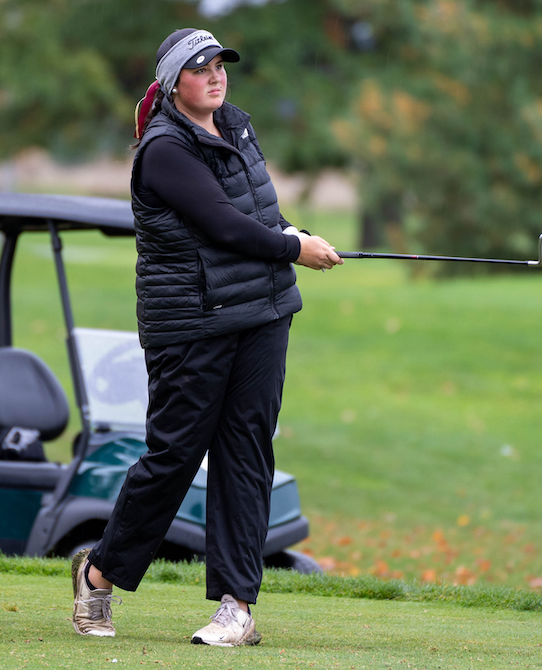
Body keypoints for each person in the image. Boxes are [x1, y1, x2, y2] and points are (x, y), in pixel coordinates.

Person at [71, 27, 342, 647]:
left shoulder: (237, 127)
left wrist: (291, 231)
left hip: (262, 314)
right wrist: (294, 248)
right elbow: (221, 224)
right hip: (191, 326)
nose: (216, 75)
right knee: (173, 458)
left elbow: (258, 213)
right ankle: (99, 573)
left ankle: (236, 607)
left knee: (247, 453)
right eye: (202, 68)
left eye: (221, 64)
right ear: (173, 83)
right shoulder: (164, 150)